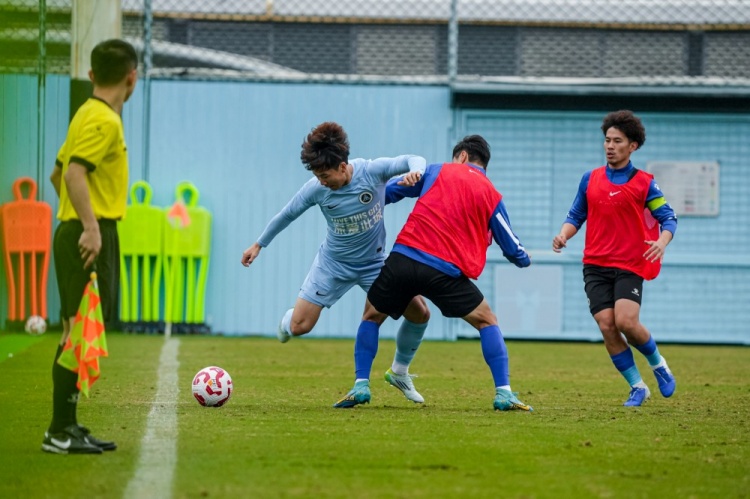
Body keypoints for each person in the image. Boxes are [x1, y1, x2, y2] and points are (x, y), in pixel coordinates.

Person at [333, 135, 534, 411]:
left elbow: (389, 191)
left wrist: (354, 207)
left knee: (371, 316)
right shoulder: (491, 194)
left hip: (405, 258)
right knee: (486, 321)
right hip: (445, 272)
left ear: (462, 156)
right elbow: (512, 247)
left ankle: (361, 385)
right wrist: (525, 258)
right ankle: (504, 393)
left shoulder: (436, 170)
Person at [241, 122, 431, 406]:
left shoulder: (372, 171)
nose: (321, 181)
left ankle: (399, 372)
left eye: (325, 175)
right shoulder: (315, 189)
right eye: (317, 176)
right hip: (333, 265)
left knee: (419, 313)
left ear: (343, 167)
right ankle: (288, 320)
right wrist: (259, 244)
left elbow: (412, 159)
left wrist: (416, 170)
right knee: (301, 326)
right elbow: (287, 214)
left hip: (374, 265)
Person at [44, 39, 138, 454]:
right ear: (132, 78)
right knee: (75, 332)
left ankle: (66, 425)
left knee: (76, 332)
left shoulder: (84, 112)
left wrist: (74, 219)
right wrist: (89, 227)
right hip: (89, 232)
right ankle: (59, 430)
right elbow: (73, 175)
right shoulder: (106, 120)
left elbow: (57, 172)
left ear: (91, 75)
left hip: (76, 230)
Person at [552, 110, 677, 407]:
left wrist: (662, 241)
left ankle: (658, 364)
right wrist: (563, 235)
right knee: (607, 325)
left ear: (632, 146)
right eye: (607, 140)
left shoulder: (645, 183)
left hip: (629, 264)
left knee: (626, 322)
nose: (609, 146)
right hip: (595, 265)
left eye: (617, 141)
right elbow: (576, 215)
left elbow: (669, 218)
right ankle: (637, 387)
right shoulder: (590, 179)